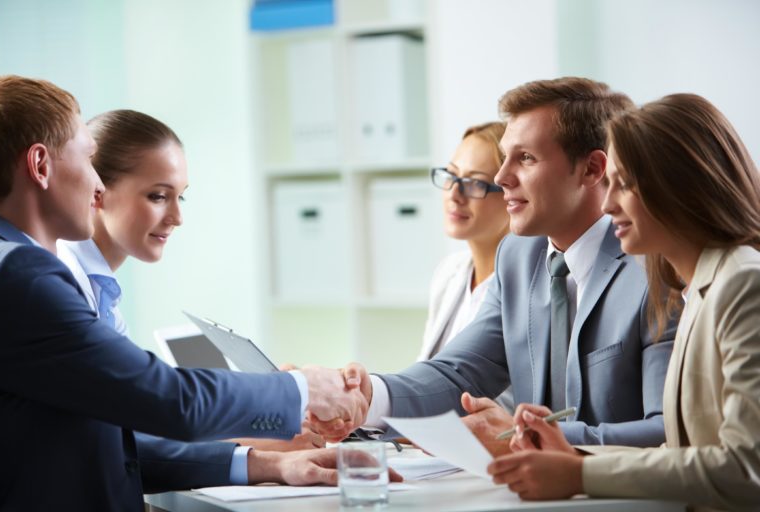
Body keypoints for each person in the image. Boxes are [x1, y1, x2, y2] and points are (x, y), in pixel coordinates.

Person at [0, 75, 370, 511]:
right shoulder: (23, 275)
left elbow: (108, 437)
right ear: (40, 166)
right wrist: (303, 388)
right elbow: (171, 399)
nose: (97, 186)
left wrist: (267, 464)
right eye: (89, 160)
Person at [315, 77, 675, 453]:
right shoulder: (518, 256)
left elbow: (666, 431)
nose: (502, 178)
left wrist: (525, 438)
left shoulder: (655, 270)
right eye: (505, 158)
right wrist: (365, 395)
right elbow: (458, 373)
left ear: (592, 169)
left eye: (526, 158)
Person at [487, 93, 760, 511]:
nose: (608, 202)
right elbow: (683, 453)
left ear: (681, 186)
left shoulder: (743, 284)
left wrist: (579, 473)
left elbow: (746, 468)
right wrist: (566, 453)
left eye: (624, 185)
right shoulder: (700, 286)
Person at [57, 108, 324, 452]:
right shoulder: (64, 285)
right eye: (158, 196)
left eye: (179, 196)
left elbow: (134, 421)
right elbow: (131, 424)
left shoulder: (101, 288)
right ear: (98, 190)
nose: (177, 217)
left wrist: (261, 412)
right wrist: (260, 436)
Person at [423, 121, 513, 411]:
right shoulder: (449, 272)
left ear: (512, 192)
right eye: (451, 175)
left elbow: (503, 405)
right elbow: (423, 376)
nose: (454, 194)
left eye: (474, 183)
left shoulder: (526, 285)